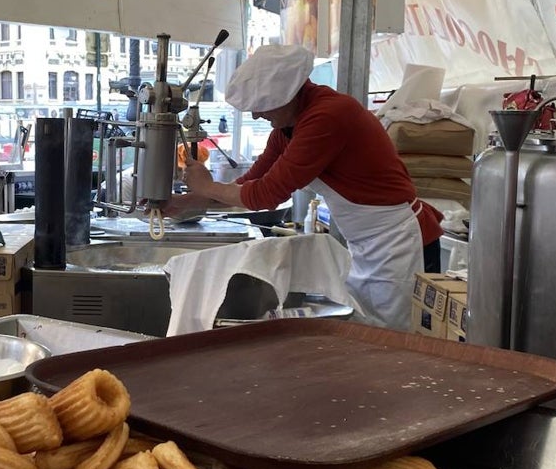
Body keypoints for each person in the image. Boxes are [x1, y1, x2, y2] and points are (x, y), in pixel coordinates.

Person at [173, 44, 442, 332]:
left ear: (285, 94)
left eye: (260, 106)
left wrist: (208, 185)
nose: (256, 116)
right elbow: (245, 187)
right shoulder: (288, 128)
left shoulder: (328, 116)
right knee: (374, 333)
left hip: (400, 243)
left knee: (397, 342)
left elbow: (265, 194)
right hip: (368, 247)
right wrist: (184, 203)